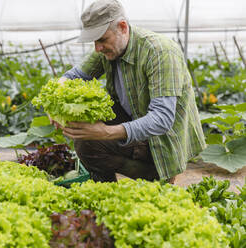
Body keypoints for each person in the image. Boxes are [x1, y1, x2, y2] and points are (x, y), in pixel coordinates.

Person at [53, 0, 206, 183]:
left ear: (123, 27)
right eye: (94, 41)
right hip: (133, 120)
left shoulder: (160, 52)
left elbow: (162, 119)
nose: (97, 48)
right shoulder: (109, 49)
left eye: (102, 39)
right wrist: (55, 99)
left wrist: (105, 132)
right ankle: (103, 191)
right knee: (85, 139)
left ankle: (157, 175)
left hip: (162, 140)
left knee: (95, 136)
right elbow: (75, 75)